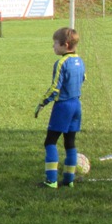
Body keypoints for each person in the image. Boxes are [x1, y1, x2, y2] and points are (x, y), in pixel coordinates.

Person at [34, 27, 86, 189]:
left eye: (55, 43)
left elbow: (55, 87)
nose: (53, 46)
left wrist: (42, 102)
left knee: (50, 141)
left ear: (65, 44)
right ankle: (69, 180)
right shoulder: (80, 61)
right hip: (76, 105)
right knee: (70, 142)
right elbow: (83, 78)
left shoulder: (61, 63)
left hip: (63, 106)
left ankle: (51, 180)